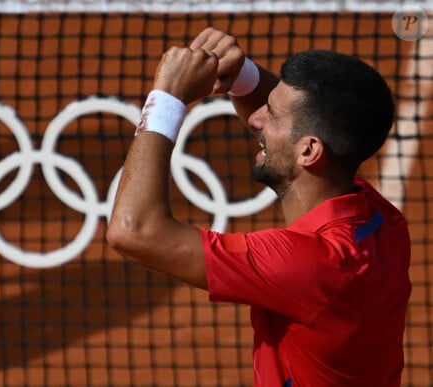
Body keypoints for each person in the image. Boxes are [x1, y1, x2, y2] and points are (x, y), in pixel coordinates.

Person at [106, 27, 411, 386]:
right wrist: (243, 76)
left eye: (272, 115)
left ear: (310, 151)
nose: (254, 119)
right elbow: (301, 135)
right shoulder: (379, 219)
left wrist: (167, 99)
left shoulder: (310, 266)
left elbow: (134, 231)